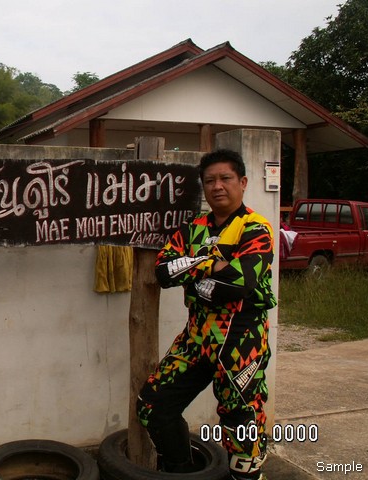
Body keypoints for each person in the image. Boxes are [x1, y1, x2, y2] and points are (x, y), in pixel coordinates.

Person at [136, 149, 276, 480]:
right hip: (196, 337)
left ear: (242, 182)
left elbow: (240, 282)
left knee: (240, 419)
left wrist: (194, 267)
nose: (217, 186)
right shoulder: (192, 229)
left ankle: (247, 477)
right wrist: (213, 264)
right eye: (210, 180)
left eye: (225, 178)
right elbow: (163, 272)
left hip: (241, 338)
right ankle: (182, 471)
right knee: (152, 405)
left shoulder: (255, 227)